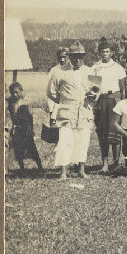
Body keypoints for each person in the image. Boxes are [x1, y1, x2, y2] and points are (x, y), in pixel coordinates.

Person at [46, 43, 93, 178]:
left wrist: (92, 96)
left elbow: (96, 89)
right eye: (74, 57)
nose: (78, 60)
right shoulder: (59, 71)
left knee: (83, 141)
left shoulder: (89, 71)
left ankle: (81, 170)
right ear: (69, 57)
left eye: (80, 57)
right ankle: (63, 172)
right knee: (65, 141)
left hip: (84, 111)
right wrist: (64, 101)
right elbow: (51, 92)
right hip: (66, 111)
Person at [90, 39, 126, 170]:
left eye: (107, 52)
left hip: (114, 101)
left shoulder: (118, 68)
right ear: (99, 53)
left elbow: (123, 89)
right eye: (102, 52)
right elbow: (93, 88)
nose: (105, 54)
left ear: (112, 53)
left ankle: (116, 162)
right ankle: (105, 163)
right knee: (102, 133)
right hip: (101, 101)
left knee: (115, 132)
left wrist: (122, 105)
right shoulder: (95, 68)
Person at [6, 81, 44, 174]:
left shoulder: (25, 102)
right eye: (13, 93)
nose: (15, 94)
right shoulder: (10, 103)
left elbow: (30, 117)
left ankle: (40, 167)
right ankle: (22, 169)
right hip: (17, 129)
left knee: (32, 148)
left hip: (26, 129)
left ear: (21, 91)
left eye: (16, 92)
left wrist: (32, 129)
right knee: (18, 150)